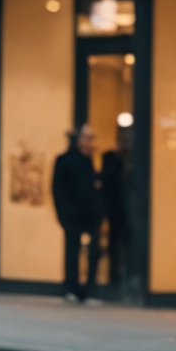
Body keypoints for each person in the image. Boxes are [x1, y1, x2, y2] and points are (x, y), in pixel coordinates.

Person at [51, 126, 103, 305]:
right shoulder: (64, 160)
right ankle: (71, 288)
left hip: (90, 214)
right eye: (87, 138)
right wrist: (63, 214)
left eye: (91, 138)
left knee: (93, 252)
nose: (90, 143)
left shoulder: (89, 161)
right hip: (72, 215)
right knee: (72, 251)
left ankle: (89, 291)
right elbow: (57, 189)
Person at [98, 133, 131, 287]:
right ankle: (114, 276)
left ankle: (124, 275)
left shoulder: (132, 158)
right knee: (114, 242)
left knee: (126, 242)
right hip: (114, 206)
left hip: (129, 207)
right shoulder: (111, 158)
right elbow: (107, 180)